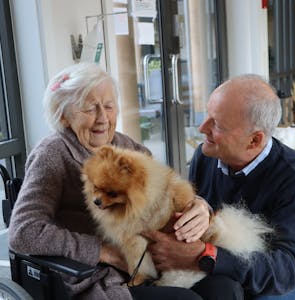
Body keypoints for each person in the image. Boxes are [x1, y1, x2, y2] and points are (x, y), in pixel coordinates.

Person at [8, 62, 211, 300]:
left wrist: (199, 206)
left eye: (108, 106)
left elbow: (165, 190)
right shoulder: (52, 154)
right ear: (63, 116)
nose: (102, 118)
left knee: (223, 287)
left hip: (149, 262)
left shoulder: (127, 146)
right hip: (98, 277)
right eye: (89, 108)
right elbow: (24, 232)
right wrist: (102, 252)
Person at [144, 74, 295, 299]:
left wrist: (205, 257)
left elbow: (286, 273)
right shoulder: (206, 156)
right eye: (208, 115)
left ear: (254, 140)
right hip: (229, 267)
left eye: (216, 124)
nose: (202, 128)